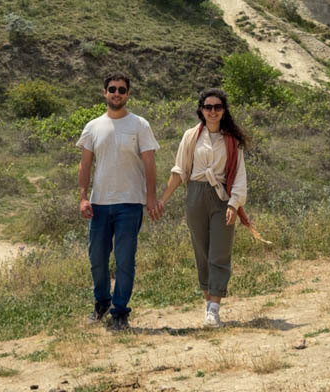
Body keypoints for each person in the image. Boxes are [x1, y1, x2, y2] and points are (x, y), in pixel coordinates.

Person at [157, 88, 247, 328]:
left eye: (217, 107)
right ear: (201, 110)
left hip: (221, 196)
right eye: (208, 107)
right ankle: (209, 303)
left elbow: (239, 175)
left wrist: (234, 203)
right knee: (202, 250)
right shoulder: (191, 136)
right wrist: (164, 198)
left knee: (220, 250)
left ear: (224, 110)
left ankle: (214, 308)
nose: (213, 111)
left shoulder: (232, 140)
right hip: (196, 194)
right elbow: (179, 170)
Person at [77, 73, 160, 330]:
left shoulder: (140, 125)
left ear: (128, 94)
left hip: (130, 203)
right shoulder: (93, 127)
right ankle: (102, 303)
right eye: (112, 89)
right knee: (97, 258)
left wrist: (151, 196)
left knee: (125, 259)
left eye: (121, 90)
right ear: (104, 92)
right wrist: (82, 197)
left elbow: (149, 162)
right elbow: (85, 163)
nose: (116, 93)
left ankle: (120, 312)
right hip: (99, 203)